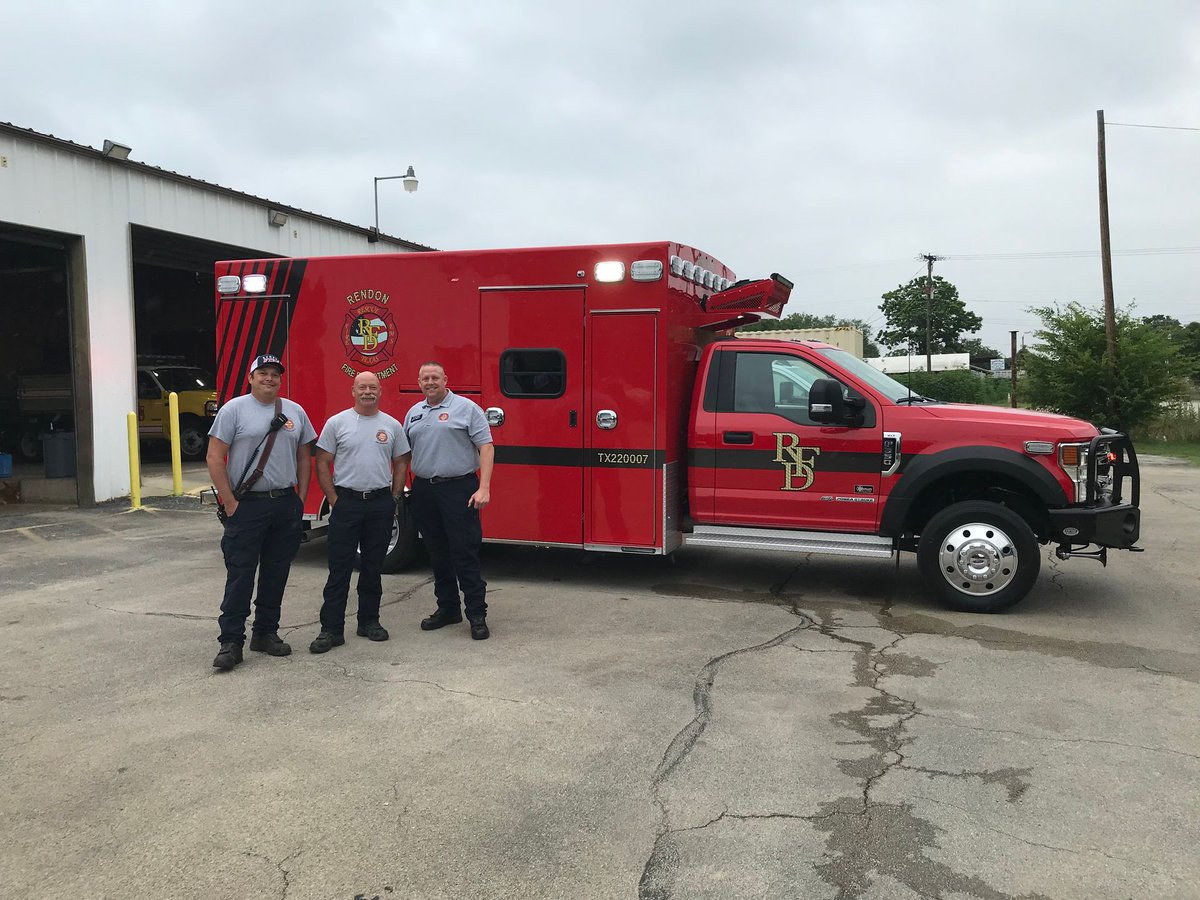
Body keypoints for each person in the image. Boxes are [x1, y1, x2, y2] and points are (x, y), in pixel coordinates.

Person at [206, 354, 316, 671]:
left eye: (275, 374)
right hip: (248, 505)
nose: (270, 378)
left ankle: (266, 633)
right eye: (263, 373)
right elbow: (215, 457)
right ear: (251, 378)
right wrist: (229, 502)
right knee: (241, 573)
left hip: (284, 504)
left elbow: (304, 457)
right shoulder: (233, 410)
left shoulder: (294, 412)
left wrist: (301, 499)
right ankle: (231, 642)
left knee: (276, 572)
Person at [309, 371, 411, 653]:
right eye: (362, 387)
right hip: (347, 503)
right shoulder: (337, 423)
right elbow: (322, 461)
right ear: (353, 391)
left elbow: (402, 460)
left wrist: (394, 497)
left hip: (380, 503)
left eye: (373, 387)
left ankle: (369, 622)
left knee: (372, 568)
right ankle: (331, 629)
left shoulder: (391, 425)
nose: (368, 391)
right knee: (339, 568)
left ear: (380, 391)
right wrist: (333, 498)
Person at [403, 362, 494, 640]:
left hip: (459, 489)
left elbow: (486, 447)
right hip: (425, 490)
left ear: (445, 379)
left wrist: (484, 488)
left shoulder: (466, 408)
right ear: (419, 383)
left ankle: (476, 614)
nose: (430, 382)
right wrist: (403, 485)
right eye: (425, 379)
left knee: (463, 552)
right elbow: (404, 452)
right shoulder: (414, 412)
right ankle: (448, 608)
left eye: (435, 378)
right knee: (436, 552)